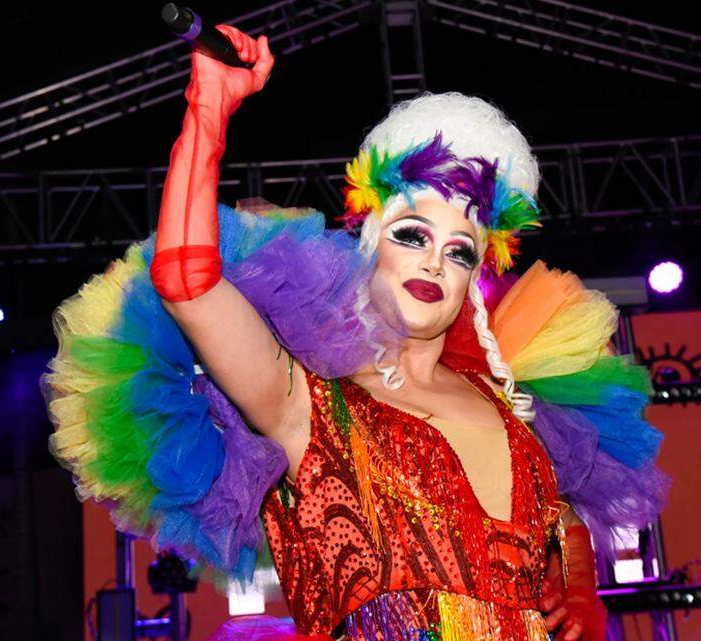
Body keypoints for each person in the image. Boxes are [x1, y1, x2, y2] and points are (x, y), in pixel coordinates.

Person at [41, 24, 669, 641]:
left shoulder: (511, 408)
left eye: (460, 252)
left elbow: (555, 514)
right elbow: (186, 277)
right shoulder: (309, 404)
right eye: (412, 236)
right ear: (370, 245)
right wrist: (209, 105)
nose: (433, 262)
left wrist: (582, 590)